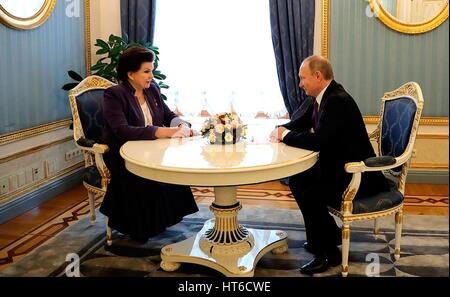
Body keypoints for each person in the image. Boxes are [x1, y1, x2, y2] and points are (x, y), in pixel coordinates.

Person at [270, 55, 389, 275]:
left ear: (317, 76)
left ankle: (328, 253)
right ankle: (326, 238)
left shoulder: (336, 100)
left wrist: (284, 134)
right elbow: (299, 124)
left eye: (302, 78)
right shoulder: (319, 97)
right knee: (298, 180)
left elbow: (320, 141)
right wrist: (278, 130)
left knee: (310, 189)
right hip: (339, 168)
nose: (300, 84)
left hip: (359, 175)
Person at [100, 46, 199, 242]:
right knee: (143, 177)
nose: (151, 76)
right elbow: (122, 130)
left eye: (151, 70)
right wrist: (161, 132)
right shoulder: (114, 95)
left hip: (151, 150)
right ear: (130, 74)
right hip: (122, 154)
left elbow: (168, 115)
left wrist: (182, 126)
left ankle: (161, 221)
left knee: (172, 172)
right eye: (146, 71)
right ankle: (140, 228)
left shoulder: (152, 89)